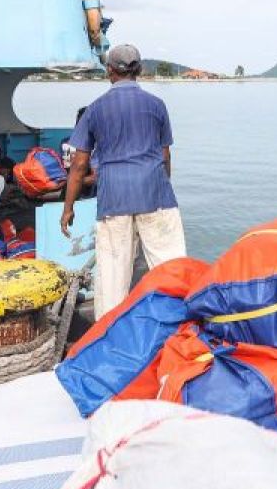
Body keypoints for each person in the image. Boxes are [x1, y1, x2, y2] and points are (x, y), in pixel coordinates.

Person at [60, 44, 186, 314]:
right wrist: (163, 189)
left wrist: (68, 207)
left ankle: (108, 331)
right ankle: (182, 324)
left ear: (109, 71)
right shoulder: (156, 105)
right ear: (139, 70)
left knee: (112, 275)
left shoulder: (94, 109)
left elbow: (79, 164)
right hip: (155, 193)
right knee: (171, 265)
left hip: (114, 198)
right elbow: (165, 156)